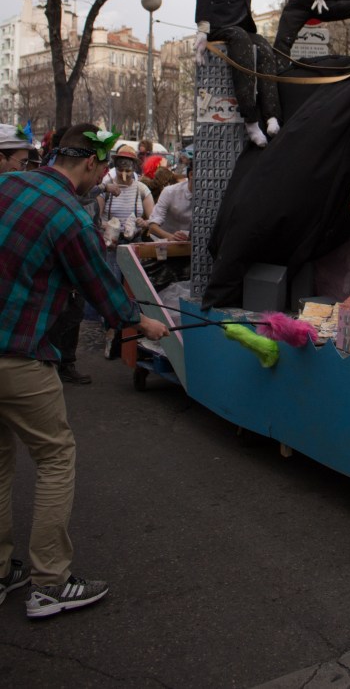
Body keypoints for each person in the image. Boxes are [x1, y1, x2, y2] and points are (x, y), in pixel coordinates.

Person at [0, 123, 169, 618]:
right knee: (54, 458)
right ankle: (50, 583)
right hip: (18, 356)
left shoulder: (6, 184)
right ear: (92, 164)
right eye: (104, 165)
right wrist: (139, 321)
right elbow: (101, 286)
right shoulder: (70, 215)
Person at [195, 0, 281, 148]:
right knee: (240, 42)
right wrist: (202, 26)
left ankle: (272, 114)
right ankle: (250, 119)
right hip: (220, 19)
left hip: (241, 17)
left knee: (264, 48)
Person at [98, 144, 155, 358]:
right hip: (112, 247)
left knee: (134, 291)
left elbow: (152, 217)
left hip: (134, 246)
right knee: (112, 289)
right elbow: (97, 216)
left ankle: (132, 337)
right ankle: (111, 335)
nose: (125, 170)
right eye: (122, 165)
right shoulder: (107, 187)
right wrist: (108, 227)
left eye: (129, 166)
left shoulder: (141, 188)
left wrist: (143, 222)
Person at [147, 164, 193, 242]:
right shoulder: (170, 192)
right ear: (191, 174)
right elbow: (152, 226)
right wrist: (170, 237)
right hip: (165, 244)